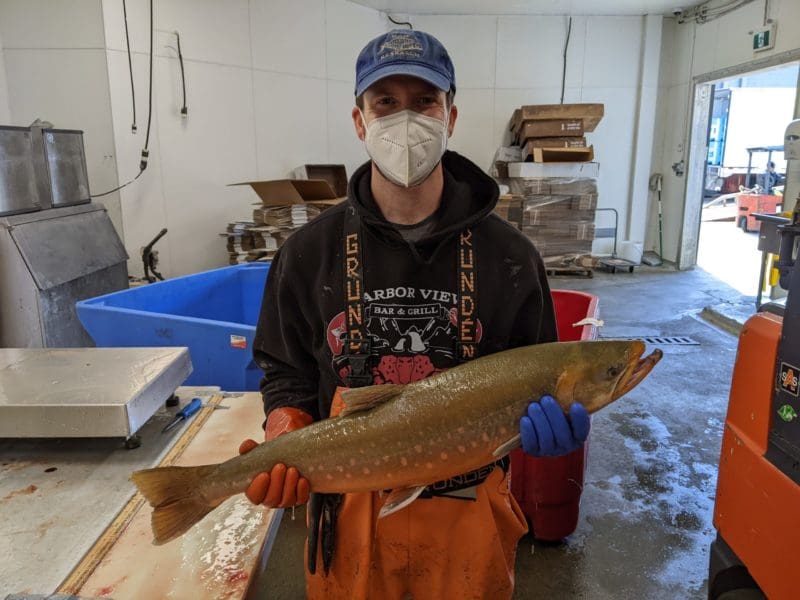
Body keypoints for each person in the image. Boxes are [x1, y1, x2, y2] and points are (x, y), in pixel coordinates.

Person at [239, 29, 590, 599]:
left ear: (450, 116)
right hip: (349, 506)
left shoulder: (511, 257)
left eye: (425, 100)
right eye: (385, 102)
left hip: (468, 516)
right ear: (360, 121)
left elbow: (537, 375)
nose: (406, 119)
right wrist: (287, 433)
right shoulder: (307, 254)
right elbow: (285, 370)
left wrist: (552, 429)